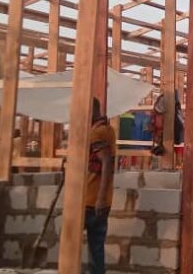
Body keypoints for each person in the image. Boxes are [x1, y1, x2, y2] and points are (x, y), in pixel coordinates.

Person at [85, 98, 116, 274]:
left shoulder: (97, 133)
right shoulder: (107, 129)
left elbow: (107, 162)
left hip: (91, 199)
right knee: (96, 247)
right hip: (97, 199)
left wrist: (100, 198)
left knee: (73, 240)